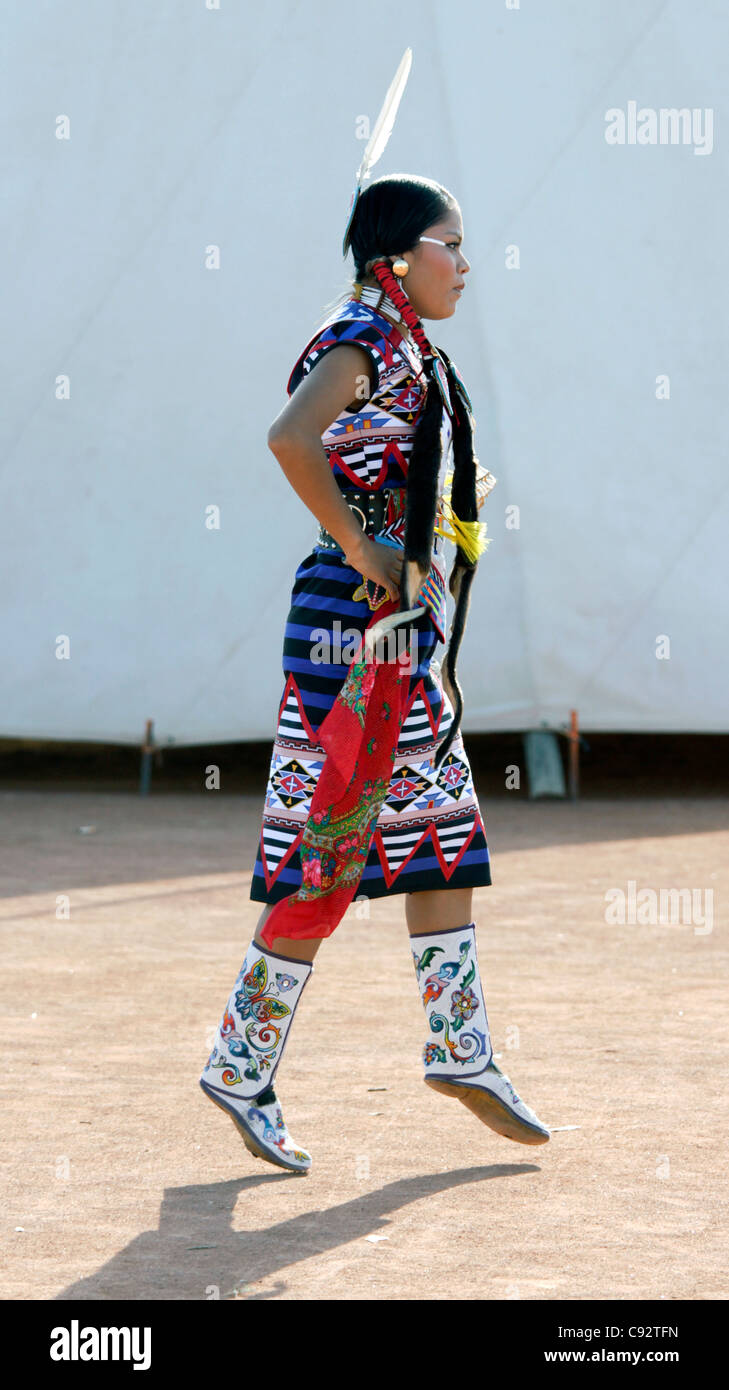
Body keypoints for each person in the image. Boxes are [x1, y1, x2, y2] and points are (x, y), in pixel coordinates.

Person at [199, 174, 550, 1173]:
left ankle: (459, 1048)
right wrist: (360, 543)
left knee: (440, 831)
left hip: (391, 629)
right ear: (399, 256)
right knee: (336, 844)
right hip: (353, 635)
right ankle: (244, 1058)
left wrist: (427, 510)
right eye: (453, 245)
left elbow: (377, 469)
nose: (467, 266)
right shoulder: (359, 343)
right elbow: (290, 438)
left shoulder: (403, 352)